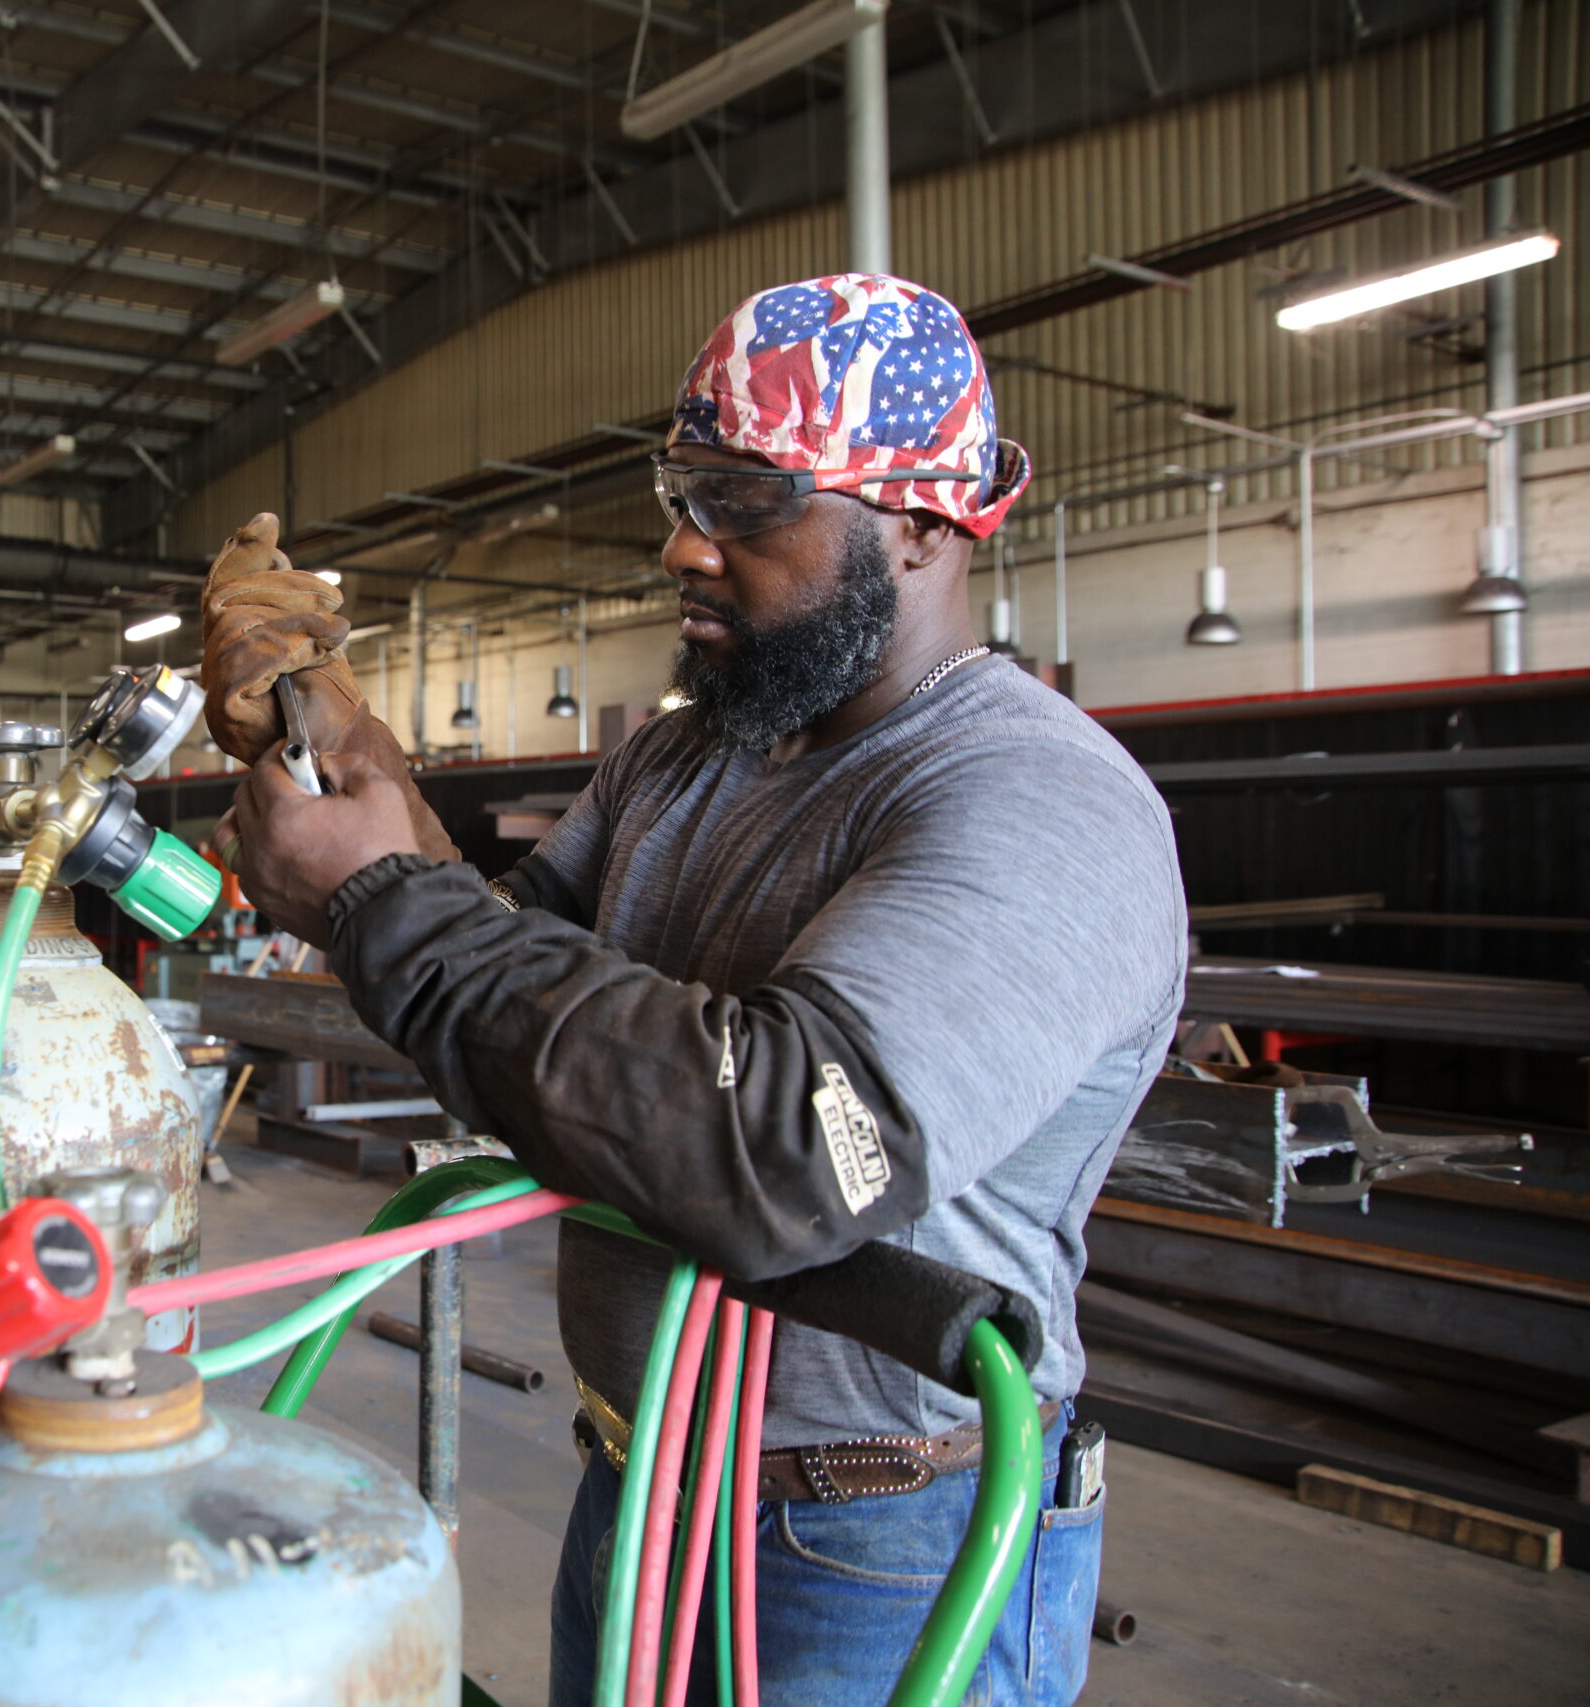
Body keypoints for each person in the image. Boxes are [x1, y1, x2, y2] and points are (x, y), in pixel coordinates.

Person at [201, 273, 1186, 1706]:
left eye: (745, 502)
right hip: (641, 1476)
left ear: (921, 523)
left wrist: (374, 897)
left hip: (877, 1536)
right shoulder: (689, 758)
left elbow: (776, 1149)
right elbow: (488, 973)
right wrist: (330, 727)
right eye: (680, 490)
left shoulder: (1033, 798)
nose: (681, 542)